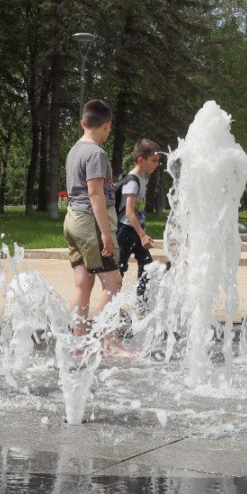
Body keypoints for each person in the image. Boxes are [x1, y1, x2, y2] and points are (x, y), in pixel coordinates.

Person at [63, 99, 131, 355]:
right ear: (107, 127)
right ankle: (110, 344)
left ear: (83, 123)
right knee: (113, 282)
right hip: (90, 221)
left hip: (72, 219)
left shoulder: (74, 150)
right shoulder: (96, 154)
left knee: (83, 283)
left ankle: (78, 345)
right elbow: (95, 193)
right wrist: (105, 232)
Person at [117, 139, 161, 300]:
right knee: (119, 270)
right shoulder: (133, 181)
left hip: (134, 230)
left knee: (147, 265)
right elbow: (129, 212)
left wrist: (141, 233)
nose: (156, 164)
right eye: (154, 161)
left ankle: (142, 301)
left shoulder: (143, 179)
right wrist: (142, 235)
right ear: (141, 160)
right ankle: (110, 308)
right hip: (125, 231)